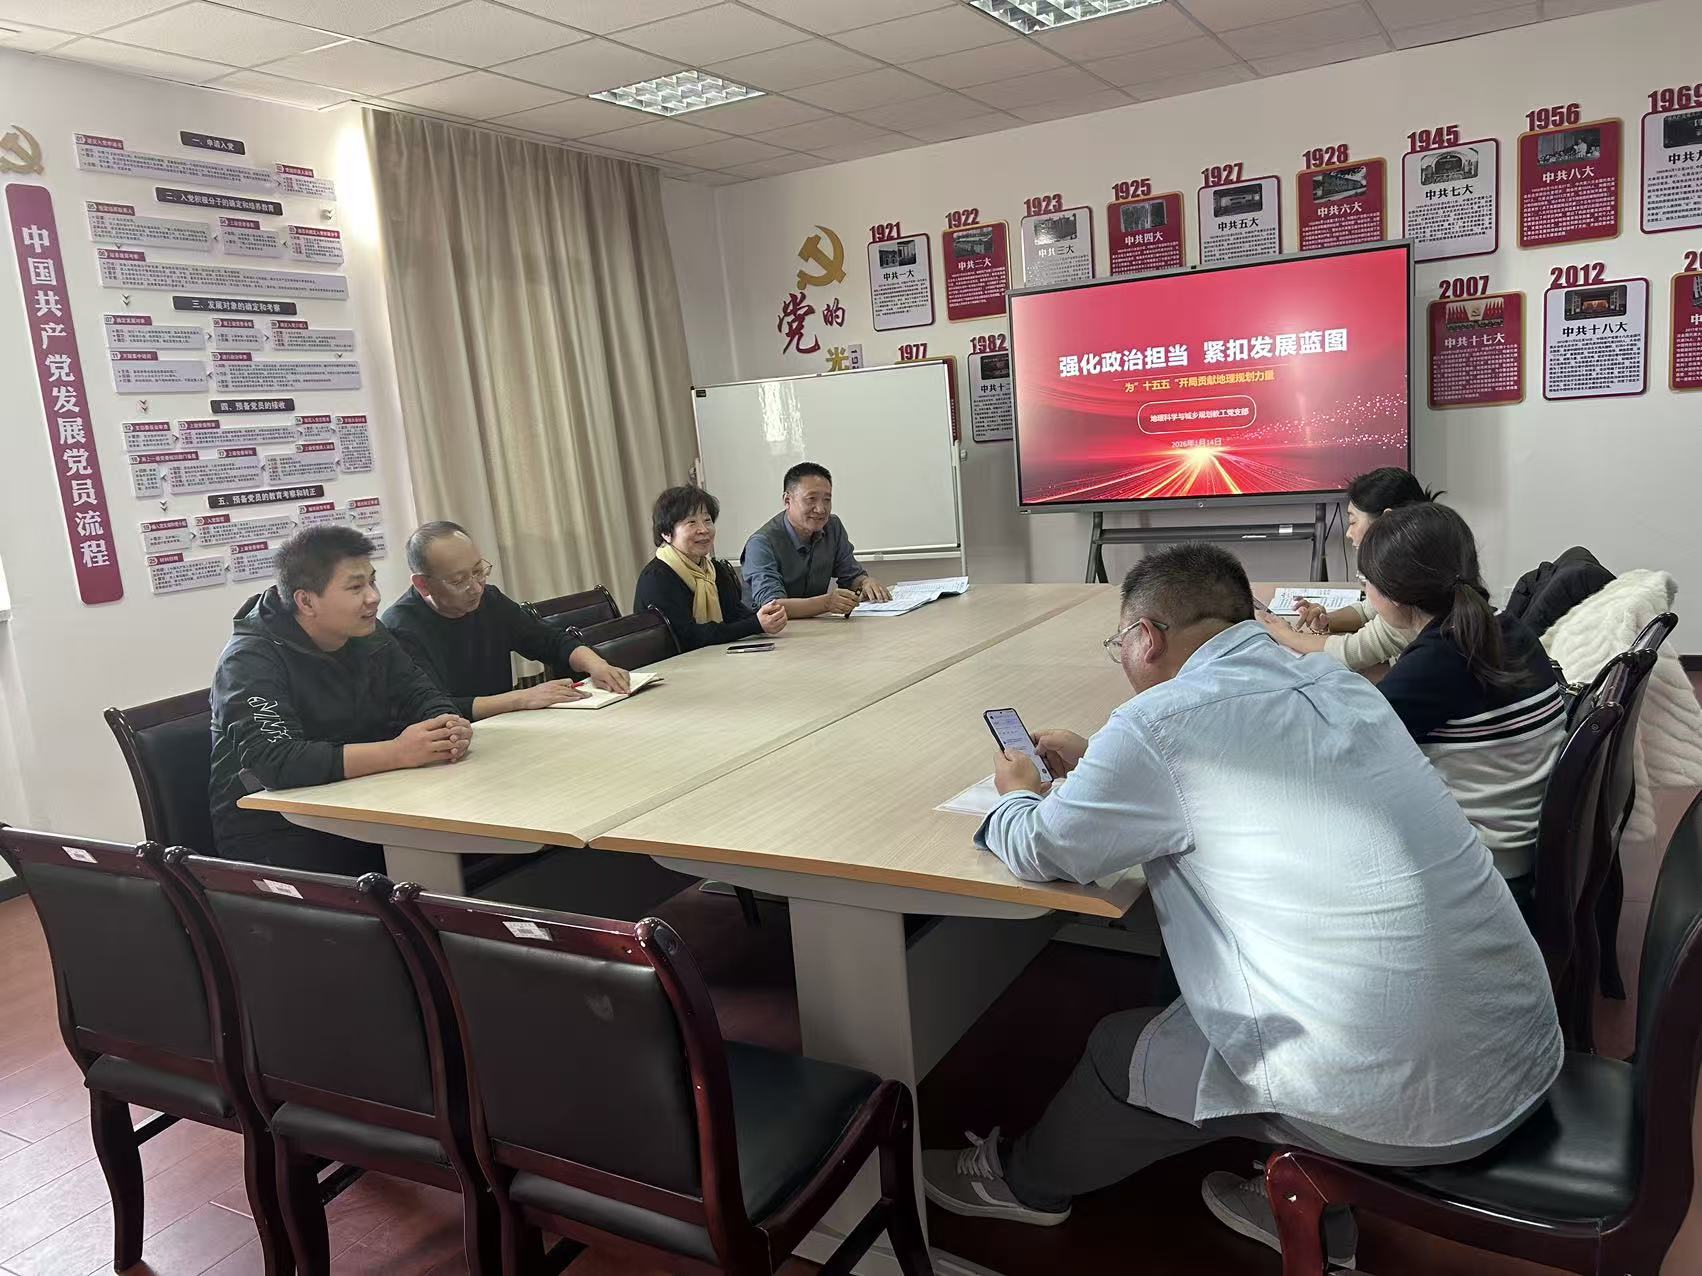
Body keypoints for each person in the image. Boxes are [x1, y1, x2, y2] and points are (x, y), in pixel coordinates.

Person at [923, 544, 1562, 1268]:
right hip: (1517, 1048)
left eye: (1118, 642)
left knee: (1115, 1053)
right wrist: (1101, 754)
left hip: (1412, 1105)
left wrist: (1017, 795)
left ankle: (1021, 1184)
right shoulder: (1336, 683)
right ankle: (1305, 1206)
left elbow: (1046, 848)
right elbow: (1232, 761)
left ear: (1146, 637)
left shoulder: (1156, 725)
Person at [210, 526, 473, 874]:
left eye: (372, 582)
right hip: (278, 832)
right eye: (355, 587)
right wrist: (398, 752)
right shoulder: (248, 660)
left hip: (367, 801)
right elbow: (276, 761)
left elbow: (419, 692)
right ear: (306, 601)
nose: (373, 597)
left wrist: (447, 727)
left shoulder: (367, 632)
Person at [1358, 502, 1566, 894]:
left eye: (1364, 581)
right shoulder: (1500, 625)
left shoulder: (1438, 660)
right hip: (1524, 838)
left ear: (1394, 594)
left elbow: (1350, 750)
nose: (1365, 591)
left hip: (1485, 862)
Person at [383, 522, 630, 720]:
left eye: (478, 571)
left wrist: (597, 665)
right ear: (422, 584)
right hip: (457, 738)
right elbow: (436, 706)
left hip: (508, 723)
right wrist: (522, 698)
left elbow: (550, 640)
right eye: (458, 581)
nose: (475, 588)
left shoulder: (490, 600)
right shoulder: (400, 627)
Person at [1262, 467, 1437, 669]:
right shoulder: (1421, 556)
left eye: (1353, 521)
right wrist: (1327, 621)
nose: (1348, 533)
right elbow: (1369, 609)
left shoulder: (1412, 586)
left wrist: (1283, 634)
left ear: (1386, 520)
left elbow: (1350, 652)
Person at [634, 485, 787, 653]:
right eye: (691, 522)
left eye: (707, 520)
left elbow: (735, 614)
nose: (704, 530)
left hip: (714, 657)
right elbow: (688, 636)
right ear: (666, 533)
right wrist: (754, 624)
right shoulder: (657, 577)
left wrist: (766, 616)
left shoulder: (714, 570)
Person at [740, 462, 891, 617]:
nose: (821, 509)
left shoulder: (832, 527)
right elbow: (773, 606)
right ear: (787, 500)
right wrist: (826, 603)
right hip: (764, 630)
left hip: (813, 625)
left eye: (827, 499)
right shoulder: (760, 543)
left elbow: (851, 576)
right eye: (811, 499)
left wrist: (864, 582)